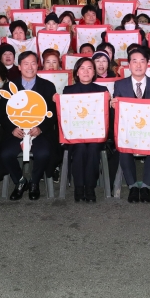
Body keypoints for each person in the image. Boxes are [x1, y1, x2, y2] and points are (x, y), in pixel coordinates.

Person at [0, 51, 58, 201]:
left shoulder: (48, 86)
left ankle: (35, 182)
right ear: (19, 66)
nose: (30, 67)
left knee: (43, 152)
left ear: (38, 65)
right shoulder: (9, 87)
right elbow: (2, 113)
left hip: (39, 132)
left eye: (33, 63)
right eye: (26, 63)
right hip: (16, 131)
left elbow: (53, 113)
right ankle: (20, 181)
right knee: (5, 153)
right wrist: (12, 128)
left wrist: (41, 128)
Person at [111, 47, 150, 203]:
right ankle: (133, 187)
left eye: (142, 61)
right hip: (128, 131)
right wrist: (113, 104)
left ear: (147, 64)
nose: (138, 65)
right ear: (128, 65)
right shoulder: (120, 85)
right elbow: (119, 112)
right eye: (134, 61)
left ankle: (146, 187)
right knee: (123, 144)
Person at [61, 57, 112, 202]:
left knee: (93, 148)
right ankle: (79, 187)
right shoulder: (68, 90)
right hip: (75, 134)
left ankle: (90, 187)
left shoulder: (102, 90)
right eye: (82, 68)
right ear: (77, 72)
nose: (86, 71)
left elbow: (106, 115)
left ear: (94, 72)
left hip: (96, 134)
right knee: (81, 147)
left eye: (89, 68)